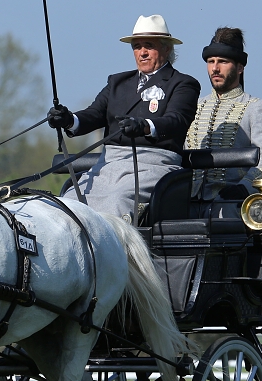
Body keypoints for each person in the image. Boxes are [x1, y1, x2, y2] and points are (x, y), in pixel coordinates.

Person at [47, 14, 200, 224]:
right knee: (70, 201)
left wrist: (145, 126)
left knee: (117, 201)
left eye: (149, 45)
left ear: (166, 49)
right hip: (108, 165)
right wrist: (68, 119)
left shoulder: (182, 83)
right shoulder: (117, 82)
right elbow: (94, 114)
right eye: (137, 47)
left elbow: (177, 120)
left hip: (153, 164)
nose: (142, 52)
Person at [184, 27, 262, 219]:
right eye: (211, 61)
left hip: (233, 205)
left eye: (223, 61)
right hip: (187, 200)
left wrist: (243, 189)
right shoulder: (193, 106)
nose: (215, 68)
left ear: (240, 67)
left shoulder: (258, 108)